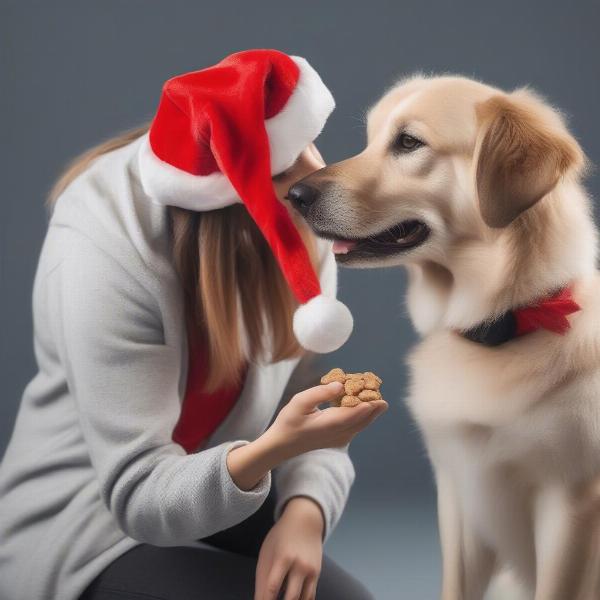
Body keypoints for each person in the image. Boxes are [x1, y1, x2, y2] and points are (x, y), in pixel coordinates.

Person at [0, 49, 387, 600]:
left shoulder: (301, 212)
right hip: (90, 518)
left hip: (232, 484)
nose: (312, 178)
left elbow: (306, 400)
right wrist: (274, 449)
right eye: (281, 168)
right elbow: (137, 495)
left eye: (306, 143)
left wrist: (305, 513)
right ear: (229, 198)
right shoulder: (103, 247)